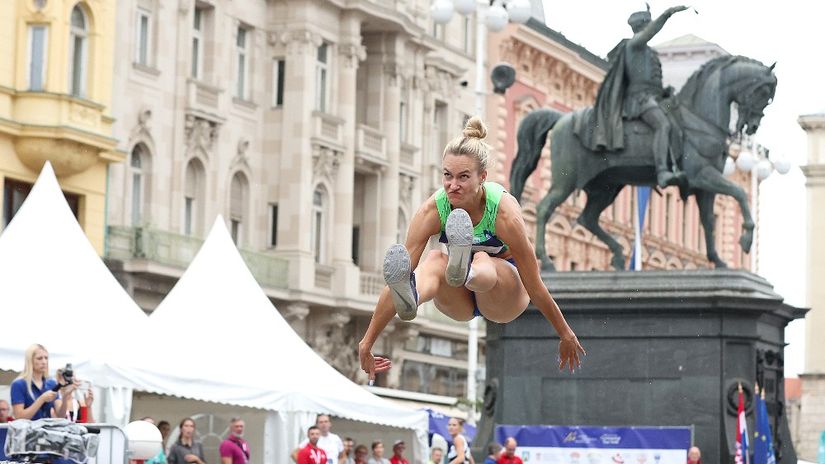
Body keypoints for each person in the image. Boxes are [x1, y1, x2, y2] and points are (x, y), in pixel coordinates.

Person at [358, 117, 585, 381]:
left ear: (483, 177)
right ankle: (413, 298)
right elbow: (395, 279)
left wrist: (564, 332)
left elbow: (534, 284)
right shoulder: (433, 210)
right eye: (447, 176)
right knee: (432, 260)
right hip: (459, 301)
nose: (453, 185)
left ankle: (465, 270)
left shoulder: (504, 213)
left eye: (463, 177)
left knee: (482, 258)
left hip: (503, 296)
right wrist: (367, 342)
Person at [574, 5, 689, 188]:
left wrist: (664, 91)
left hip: (653, 97)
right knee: (662, 124)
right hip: (638, 99)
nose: (651, 28)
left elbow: (652, 80)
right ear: (643, 26)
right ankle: (661, 172)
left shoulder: (648, 52)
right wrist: (668, 14)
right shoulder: (634, 45)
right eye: (649, 25)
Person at [10, 344, 75, 420]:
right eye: (39, 358)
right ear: (30, 361)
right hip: (28, 430)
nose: (44, 362)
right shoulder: (18, 384)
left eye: (46, 358)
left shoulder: (51, 383)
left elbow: (61, 415)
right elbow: (19, 417)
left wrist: (65, 397)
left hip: (46, 429)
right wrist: (41, 399)